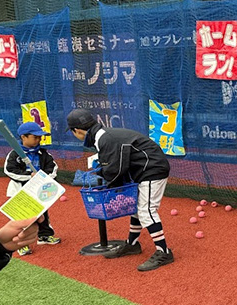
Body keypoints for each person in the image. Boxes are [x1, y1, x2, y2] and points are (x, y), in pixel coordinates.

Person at [66, 108, 174, 272]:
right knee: (136, 208)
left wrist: (105, 183)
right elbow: (115, 166)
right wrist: (104, 176)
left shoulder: (105, 138)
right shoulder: (103, 136)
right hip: (142, 169)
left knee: (146, 210)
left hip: (152, 169)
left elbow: (115, 170)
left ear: (77, 131)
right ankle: (132, 244)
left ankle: (164, 252)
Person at [4, 121, 62, 255]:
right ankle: (20, 243)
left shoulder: (43, 153)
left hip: (39, 190)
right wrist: (29, 176)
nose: (38, 139)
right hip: (19, 190)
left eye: (40, 137)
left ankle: (44, 235)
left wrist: (42, 178)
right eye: (35, 137)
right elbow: (10, 171)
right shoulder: (14, 154)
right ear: (23, 137)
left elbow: (52, 168)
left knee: (43, 214)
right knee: (22, 218)